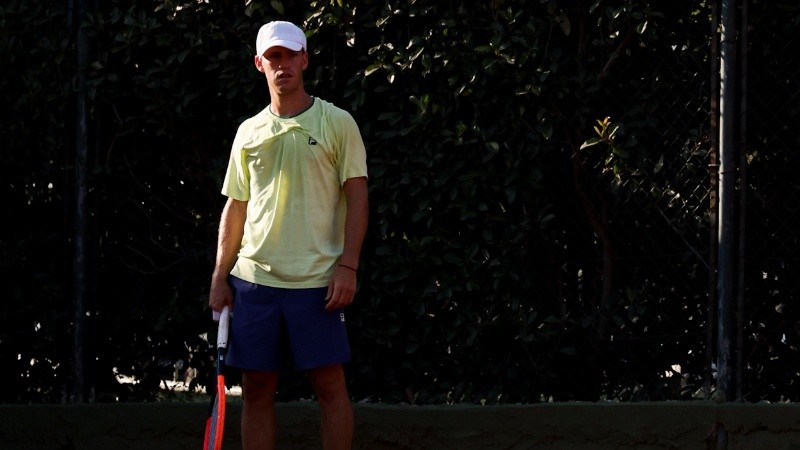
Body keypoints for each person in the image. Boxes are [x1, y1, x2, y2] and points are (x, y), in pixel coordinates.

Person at [208, 20, 368, 450]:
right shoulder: (248, 132)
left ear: (305, 59)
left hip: (318, 285)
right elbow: (236, 206)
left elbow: (358, 196)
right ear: (260, 64)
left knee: (331, 389)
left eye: (291, 55)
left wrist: (348, 266)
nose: (284, 65)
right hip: (255, 284)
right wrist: (220, 277)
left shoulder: (338, 122)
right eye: (274, 57)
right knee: (257, 389)